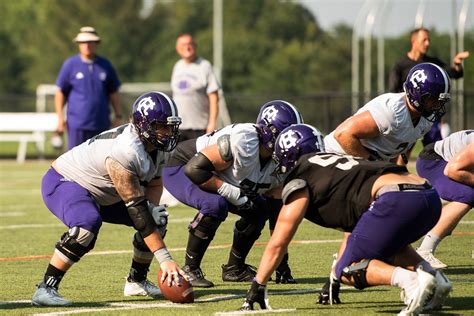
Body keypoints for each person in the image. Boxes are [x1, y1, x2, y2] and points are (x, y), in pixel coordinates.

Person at [240, 124, 451, 315]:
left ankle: (412, 282)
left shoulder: (301, 176)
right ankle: (435, 278)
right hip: (427, 196)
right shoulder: (337, 168)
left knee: (347, 270)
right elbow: (354, 232)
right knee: (389, 248)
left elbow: (279, 241)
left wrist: (258, 284)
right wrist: (333, 277)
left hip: (395, 198)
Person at [32, 92, 185, 306]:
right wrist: (166, 261)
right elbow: (137, 211)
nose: (168, 132)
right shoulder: (126, 150)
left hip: (102, 191)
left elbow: (154, 183)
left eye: (171, 126)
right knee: (86, 226)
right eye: (162, 126)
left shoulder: (158, 148)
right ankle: (46, 288)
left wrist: (151, 208)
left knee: (156, 218)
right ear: (144, 125)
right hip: (65, 181)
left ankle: (137, 280)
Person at [320, 62, 451, 304]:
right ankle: (340, 276)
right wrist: (374, 168)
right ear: (417, 94)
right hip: (339, 160)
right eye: (433, 99)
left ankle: (335, 279)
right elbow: (343, 134)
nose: (437, 105)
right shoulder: (393, 110)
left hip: (370, 166)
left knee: (372, 223)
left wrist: (396, 173)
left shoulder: (423, 119)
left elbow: (401, 148)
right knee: (363, 222)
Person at [162, 100, 303, 288]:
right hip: (182, 166)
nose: (290, 145)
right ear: (269, 131)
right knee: (215, 204)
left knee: (259, 209)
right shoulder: (244, 141)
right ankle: (190, 268)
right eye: (285, 138)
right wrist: (231, 192)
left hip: (215, 174)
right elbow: (194, 169)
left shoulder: (279, 163)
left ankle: (234, 269)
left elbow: (276, 215)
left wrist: (281, 264)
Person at [388, 27, 469, 146]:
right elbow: (393, 91)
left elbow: (454, 73)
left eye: (429, 40)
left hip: (428, 114)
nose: (427, 43)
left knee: (434, 149)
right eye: (424, 40)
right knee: (402, 151)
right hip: (408, 115)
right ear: (414, 41)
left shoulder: (431, 64)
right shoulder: (401, 64)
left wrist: (457, 65)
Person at [55, 26, 122, 150]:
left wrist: (118, 116)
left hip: (101, 122)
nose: (86, 45)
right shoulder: (70, 65)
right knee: (75, 160)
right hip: (77, 124)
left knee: (100, 162)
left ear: (96, 43)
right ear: (79, 44)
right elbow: (60, 92)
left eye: (90, 42)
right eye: (83, 42)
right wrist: (60, 118)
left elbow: (114, 92)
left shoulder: (105, 65)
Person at [416, 130, 474, 269]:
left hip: (450, 164)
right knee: (468, 195)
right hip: (434, 162)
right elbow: (452, 170)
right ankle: (425, 250)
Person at [171, 33, 220, 142]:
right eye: (183, 45)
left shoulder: (204, 66)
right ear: (178, 49)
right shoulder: (177, 66)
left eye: (190, 44)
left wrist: (212, 124)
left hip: (199, 128)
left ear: (195, 46)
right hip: (178, 127)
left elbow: (214, 97)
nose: (187, 47)